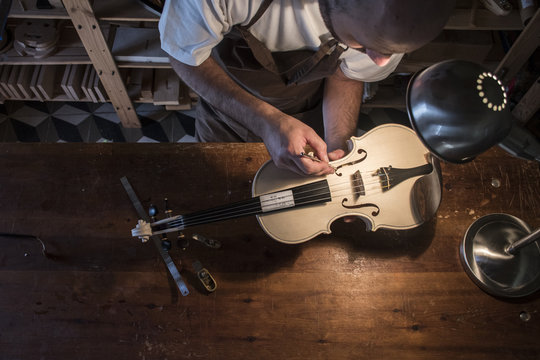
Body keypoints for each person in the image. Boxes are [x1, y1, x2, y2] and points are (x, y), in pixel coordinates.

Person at [159, 0, 455, 176]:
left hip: (311, 117)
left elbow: (346, 75)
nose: (380, 62)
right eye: (364, 45)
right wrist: (266, 121)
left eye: (390, 51)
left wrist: (339, 147)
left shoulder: (392, 21)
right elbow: (184, 56)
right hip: (226, 115)